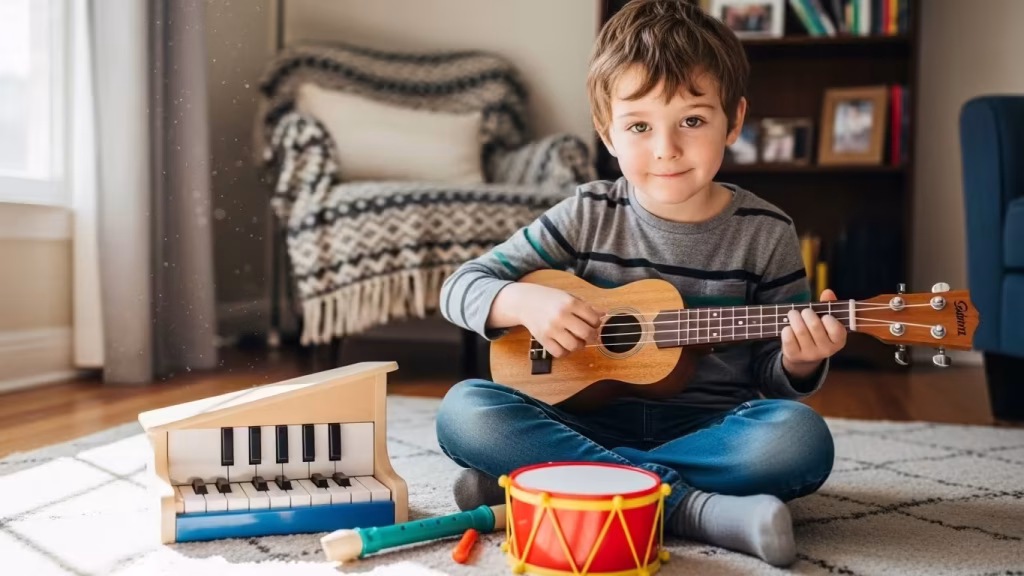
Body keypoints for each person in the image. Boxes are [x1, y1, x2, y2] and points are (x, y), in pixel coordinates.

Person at [435, 0, 846, 567]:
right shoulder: (586, 213)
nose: (666, 148)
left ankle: (553, 482)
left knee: (799, 438)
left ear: (735, 119)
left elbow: (770, 374)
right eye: (639, 126)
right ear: (606, 132)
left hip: (708, 428)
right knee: (465, 409)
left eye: (693, 121)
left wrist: (800, 362)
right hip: (579, 420)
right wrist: (522, 299)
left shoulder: (766, 232)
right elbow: (460, 286)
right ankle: (691, 508)